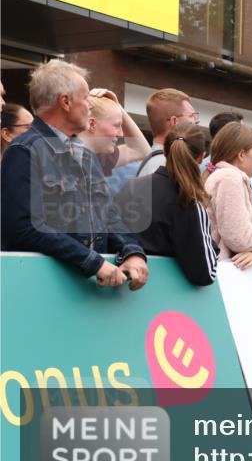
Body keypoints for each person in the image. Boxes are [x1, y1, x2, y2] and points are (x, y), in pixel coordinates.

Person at [0, 60, 148, 289]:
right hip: (43, 293)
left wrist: (132, 251)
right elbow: (23, 229)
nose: (90, 106)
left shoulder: (85, 156)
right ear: (66, 102)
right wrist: (92, 262)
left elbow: (108, 215)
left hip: (83, 294)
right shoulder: (24, 151)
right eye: (85, 98)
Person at [114, 123, 217, 286]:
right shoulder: (189, 202)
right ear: (201, 157)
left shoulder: (130, 187)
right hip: (166, 298)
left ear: (165, 151)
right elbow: (205, 273)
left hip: (118, 290)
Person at [203, 122, 252, 269]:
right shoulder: (230, 178)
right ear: (241, 155)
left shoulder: (232, 178)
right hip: (226, 278)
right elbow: (239, 239)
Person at [78, 90, 151, 187]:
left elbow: (141, 151)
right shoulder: (59, 155)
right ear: (92, 124)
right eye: (116, 125)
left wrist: (118, 106)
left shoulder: (97, 160)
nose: (120, 134)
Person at [135, 88, 200, 177]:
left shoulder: (150, 161)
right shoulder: (166, 166)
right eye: (192, 115)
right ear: (174, 121)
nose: (197, 121)